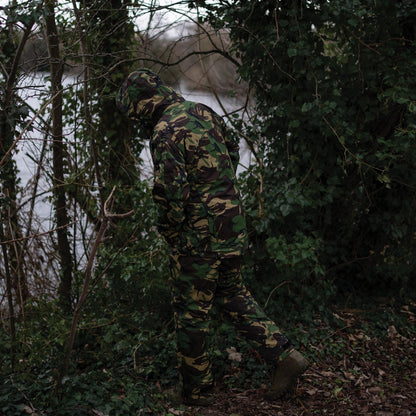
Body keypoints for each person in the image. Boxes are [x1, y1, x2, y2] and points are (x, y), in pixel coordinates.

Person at [116, 69, 309, 406]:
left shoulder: (164, 131)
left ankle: (197, 392)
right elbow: (233, 151)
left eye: (134, 111)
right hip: (232, 224)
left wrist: (171, 231)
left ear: (142, 104)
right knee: (233, 295)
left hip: (199, 237)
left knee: (191, 312)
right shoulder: (204, 111)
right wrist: (216, 188)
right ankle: (286, 356)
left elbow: (170, 192)